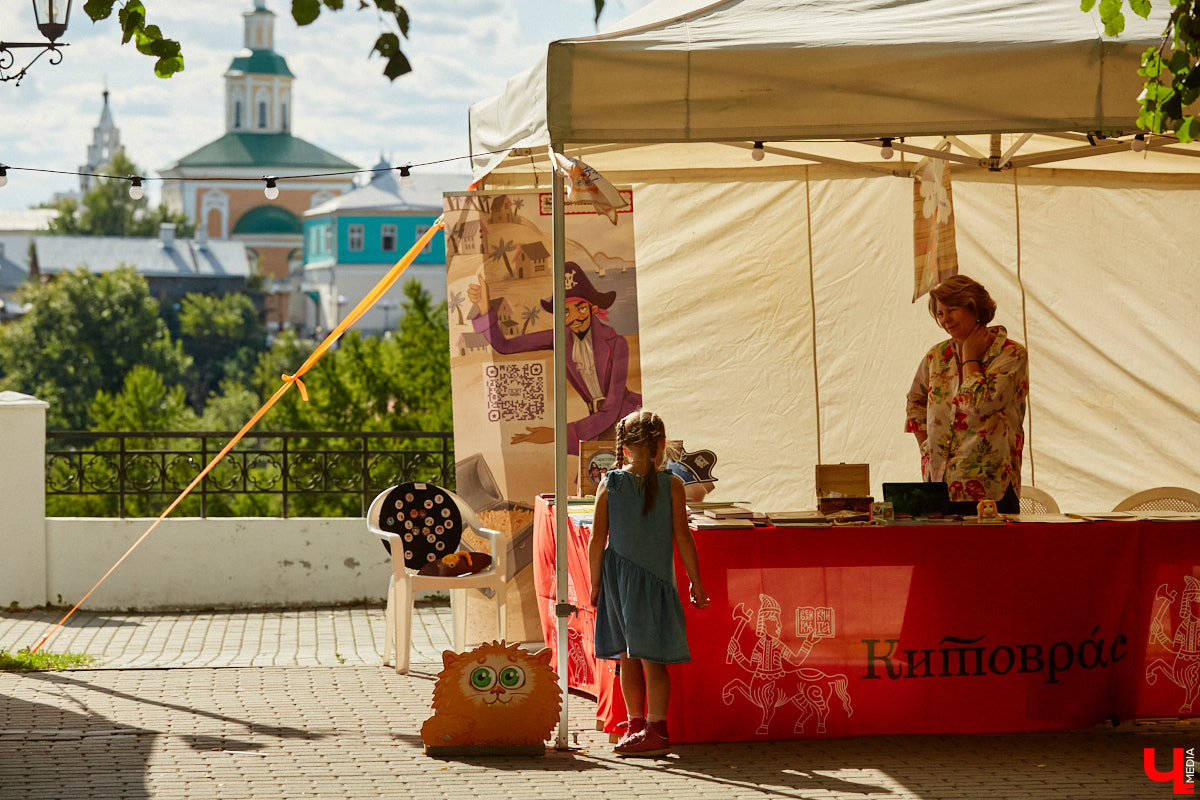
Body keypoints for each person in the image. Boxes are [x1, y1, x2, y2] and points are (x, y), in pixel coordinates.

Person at [588, 409, 708, 757]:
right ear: (660, 444)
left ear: (622, 449)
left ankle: (638, 724)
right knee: (653, 660)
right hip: (655, 582)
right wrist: (696, 583)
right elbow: (683, 537)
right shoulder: (672, 484)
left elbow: (598, 538)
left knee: (628, 659)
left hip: (619, 582)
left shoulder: (610, 483)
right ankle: (651, 727)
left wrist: (595, 583)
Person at [467, 261, 642, 455]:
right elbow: (505, 346)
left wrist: (556, 434)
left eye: (581, 308)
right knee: (594, 477)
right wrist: (485, 310)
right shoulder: (560, 338)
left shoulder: (618, 344)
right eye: (566, 311)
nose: (575, 317)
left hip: (628, 419)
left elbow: (611, 408)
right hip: (596, 422)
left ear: (593, 308)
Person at [905, 274, 1029, 515]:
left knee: (989, 553)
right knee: (944, 553)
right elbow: (915, 401)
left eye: (951, 310)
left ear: (974, 307)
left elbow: (980, 404)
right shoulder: (937, 355)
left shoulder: (1011, 353)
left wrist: (970, 356)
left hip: (991, 486)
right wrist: (926, 449)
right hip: (940, 485)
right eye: (940, 313)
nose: (945, 319)